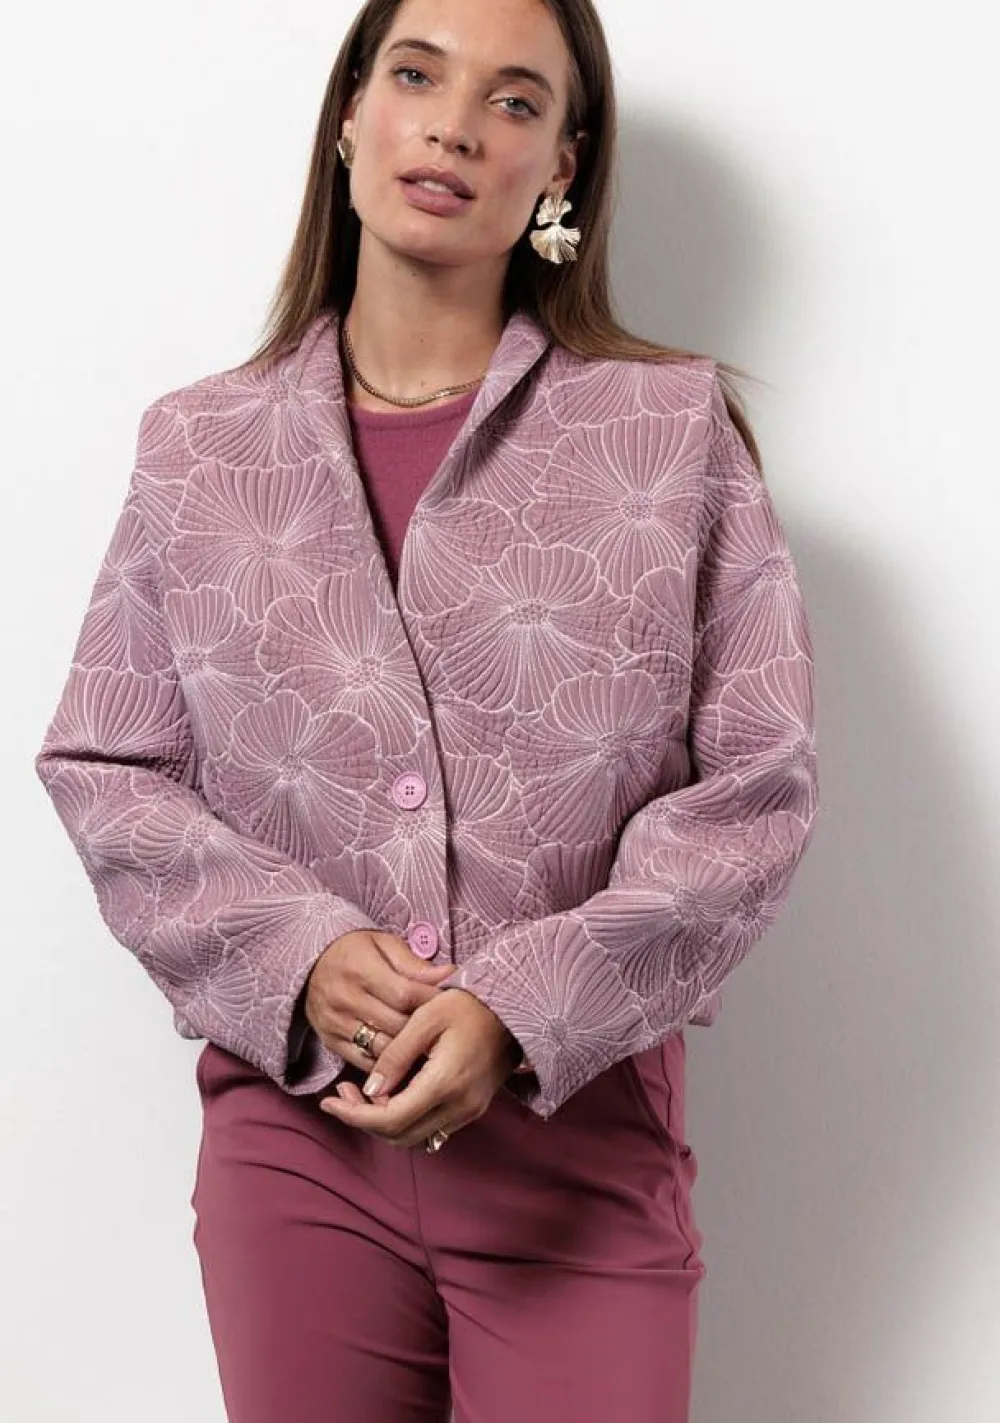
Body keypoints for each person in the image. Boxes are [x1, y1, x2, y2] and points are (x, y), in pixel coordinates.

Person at [34, 0, 821, 1418]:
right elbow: (107, 760)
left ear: (563, 165)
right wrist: (296, 952)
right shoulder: (201, 450)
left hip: (577, 1156)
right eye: (417, 74)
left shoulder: (667, 433)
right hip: (296, 1153)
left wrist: (525, 1004)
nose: (456, 125)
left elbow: (755, 789)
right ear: (351, 113)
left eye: (515, 101)